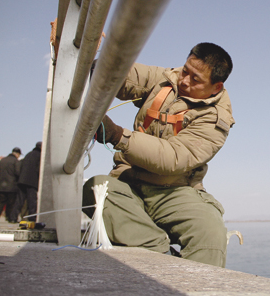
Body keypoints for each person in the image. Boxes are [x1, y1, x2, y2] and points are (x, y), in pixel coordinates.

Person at [83, 42, 234, 267]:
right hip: (129, 180)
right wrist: (101, 67)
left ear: (215, 87)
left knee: (210, 232)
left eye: (196, 80)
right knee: (94, 190)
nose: (184, 81)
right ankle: (160, 255)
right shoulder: (166, 79)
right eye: (185, 71)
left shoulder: (216, 118)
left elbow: (172, 158)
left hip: (175, 190)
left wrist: (117, 135)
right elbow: (129, 77)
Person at [12, 142, 42, 222]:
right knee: (32, 201)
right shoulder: (40, 156)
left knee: (19, 201)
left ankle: (13, 218)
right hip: (32, 181)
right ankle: (32, 218)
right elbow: (39, 169)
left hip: (22, 180)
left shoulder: (28, 154)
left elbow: (20, 166)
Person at [0, 147, 22, 223]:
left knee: (0, 202)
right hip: (12, 186)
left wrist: (3, 180)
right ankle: (10, 218)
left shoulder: (3, 160)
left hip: (2, 186)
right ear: (17, 154)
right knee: (11, 203)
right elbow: (17, 173)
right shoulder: (15, 161)